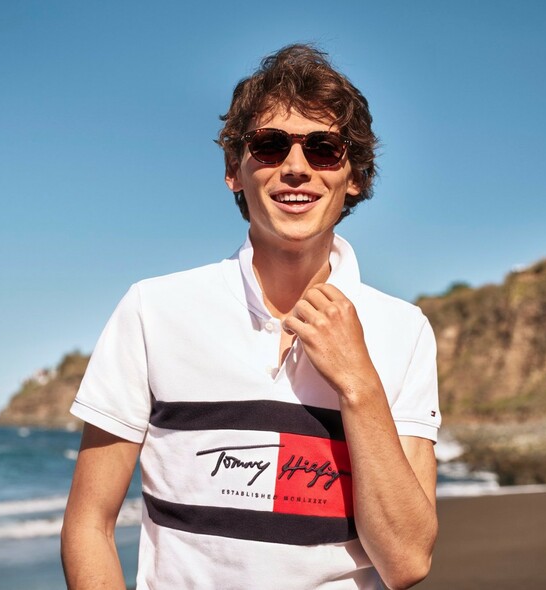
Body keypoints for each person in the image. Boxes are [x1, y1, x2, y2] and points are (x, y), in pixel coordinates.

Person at [61, 44, 440, 590]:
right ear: (233, 171)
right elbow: (88, 523)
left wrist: (359, 382)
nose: (295, 168)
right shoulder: (154, 310)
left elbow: (406, 561)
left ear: (353, 177)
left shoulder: (403, 331)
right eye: (268, 146)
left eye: (324, 149)